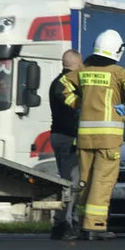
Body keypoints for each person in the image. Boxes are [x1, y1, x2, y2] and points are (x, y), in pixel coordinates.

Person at [66, 30, 125, 241]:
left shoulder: (83, 71)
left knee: (85, 181)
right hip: (108, 140)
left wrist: (79, 104)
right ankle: (95, 226)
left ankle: (82, 223)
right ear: (117, 50)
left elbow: (61, 87)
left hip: (85, 138)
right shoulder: (117, 72)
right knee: (102, 182)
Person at [48, 49, 82, 240]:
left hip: (58, 136)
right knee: (72, 183)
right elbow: (77, 106)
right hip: (68, 138)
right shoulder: (65, 83)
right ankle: (66, 224)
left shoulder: (56, 82)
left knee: (66, 181)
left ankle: (61, 222)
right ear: (77, 64)